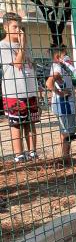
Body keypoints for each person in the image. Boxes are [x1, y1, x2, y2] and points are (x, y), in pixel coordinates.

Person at [1, 12, 39, 163]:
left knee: (30, 123)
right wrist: (23, 46)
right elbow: (17, 64)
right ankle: (19, 154)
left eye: (20, 26)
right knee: (16, 124)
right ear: (5, 28)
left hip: (29, 91)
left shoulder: (24, 45)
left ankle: (32, 152)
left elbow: (30, 65)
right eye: (14, 27)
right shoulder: (3, 46)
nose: (18, 30)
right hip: (13, 92)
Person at [46, 46, 76, 162]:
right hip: (64, 105)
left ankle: (65, 155)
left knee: (68, 130)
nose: (68, 56)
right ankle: (65, 156)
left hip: (67, 104)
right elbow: (49, 82)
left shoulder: (63, 67)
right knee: (67, 131)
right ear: (58, 57)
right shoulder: (57, 68)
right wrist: (59, 93)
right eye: (65, 55)